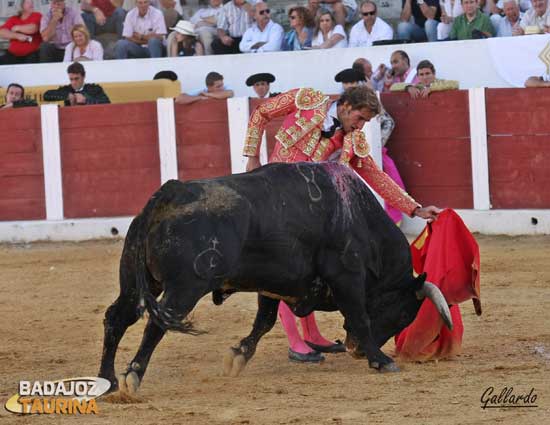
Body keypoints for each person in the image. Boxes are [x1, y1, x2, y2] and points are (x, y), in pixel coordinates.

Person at [243, 86, 441, 362]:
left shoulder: (352, 139)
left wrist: (415, 208)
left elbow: (375, 175)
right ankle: (295, 341)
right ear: (346, 106)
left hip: (311, 211)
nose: (359, 126)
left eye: (364, 122)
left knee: (309, 271)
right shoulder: (307, 99)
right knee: (287, 270)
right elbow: (261, 112)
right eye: (359, 118)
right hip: (276, 199)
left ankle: (311, 334)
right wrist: (252, 156)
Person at [43, 61, 110, 106]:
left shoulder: (95, 89)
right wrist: (67, 95)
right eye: (71, 79)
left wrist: (85, 100)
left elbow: (107, 103)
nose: (73, 82)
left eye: (76, 79)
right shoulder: (66, 89)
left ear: (83, 76)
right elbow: (46, 95)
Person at [0, 0, 42, 65]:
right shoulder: (13, 18)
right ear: (21, 5)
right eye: (28, 2)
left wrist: (17, 27)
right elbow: (2, 32)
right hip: (12, 54)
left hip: (31, 54)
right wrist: (17, 36)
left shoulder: (37, 15)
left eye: (32, 2)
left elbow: (33, 28)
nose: (31, 4)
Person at [390, 59, 459, 97]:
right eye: (421, 74)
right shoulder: (417, 86)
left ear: (434, 74)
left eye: (427, 73)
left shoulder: (440, 83)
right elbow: (393, 87)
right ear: (417, 76)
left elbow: (455, 84)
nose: (425, 77)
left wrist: (431, 88)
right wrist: (408, 87)